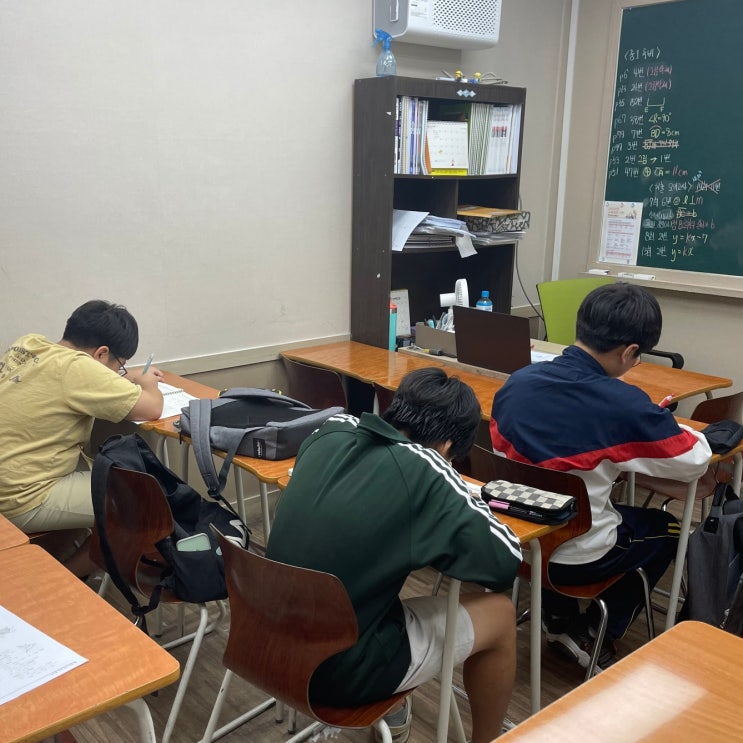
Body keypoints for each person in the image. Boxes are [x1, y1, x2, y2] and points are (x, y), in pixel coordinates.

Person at [266, 367, 522, 743]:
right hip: (333, 671)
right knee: (500, 613)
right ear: (448, 448)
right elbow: (506, 559)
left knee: (371, 581)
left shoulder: (331, 431)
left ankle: (395, 707)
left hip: (262, 639)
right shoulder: (428, 468)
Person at [490, 282, 711, 669]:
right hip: (577, 556)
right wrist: (660, 421)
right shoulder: (622, 404)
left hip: (517, 541)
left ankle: (558, 618)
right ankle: (592, 633)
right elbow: (694, 460)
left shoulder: (516, 382)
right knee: (670, 531)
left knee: (562, 511)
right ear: (629, 352)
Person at [0, 300, 164, 576]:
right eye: (120, 365)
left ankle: (49, 569)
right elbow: (152, 408)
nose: (119, 373)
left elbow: (76, 380)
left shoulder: (29, 344)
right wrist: (148, 384)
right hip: (20, 498)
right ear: (101, 354)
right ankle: (64, 582)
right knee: (144, 507)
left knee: (95, 479)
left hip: (8, 480)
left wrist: (125, 376)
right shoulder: (78, 368)